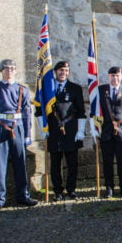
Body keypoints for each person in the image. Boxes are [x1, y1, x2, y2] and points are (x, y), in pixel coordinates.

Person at [0, 59, 38, 214]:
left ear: (15, 70)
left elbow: (27, 113)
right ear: (1, 70)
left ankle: (23, 195)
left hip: (17, 128)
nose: (9, 71)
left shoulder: (21, 89)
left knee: (20, 162)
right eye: (5, 68)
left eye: (12, 68)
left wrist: (27, 134)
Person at [36, 61, 86, 201]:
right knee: (55, 164)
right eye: (60, 70)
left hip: (71, 131)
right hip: (53, 131)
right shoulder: (47, 89)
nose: (63, 73)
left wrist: (81, 131)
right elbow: (39, 110)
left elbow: (81, 111)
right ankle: (57, 191)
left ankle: (71, 190)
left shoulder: (75, 88)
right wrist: (42, 128)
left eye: (65, 70)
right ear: (55, 72)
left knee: (72, 164)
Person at [97, 66, 122, 198]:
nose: (115, 78)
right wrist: (94, 128)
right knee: (107, 160)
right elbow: (95, 110)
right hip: (106, 130)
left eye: (117, 76)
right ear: (108, 77)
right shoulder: (101, 90)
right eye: (112, 76)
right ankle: (109, 187)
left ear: (121, 76)